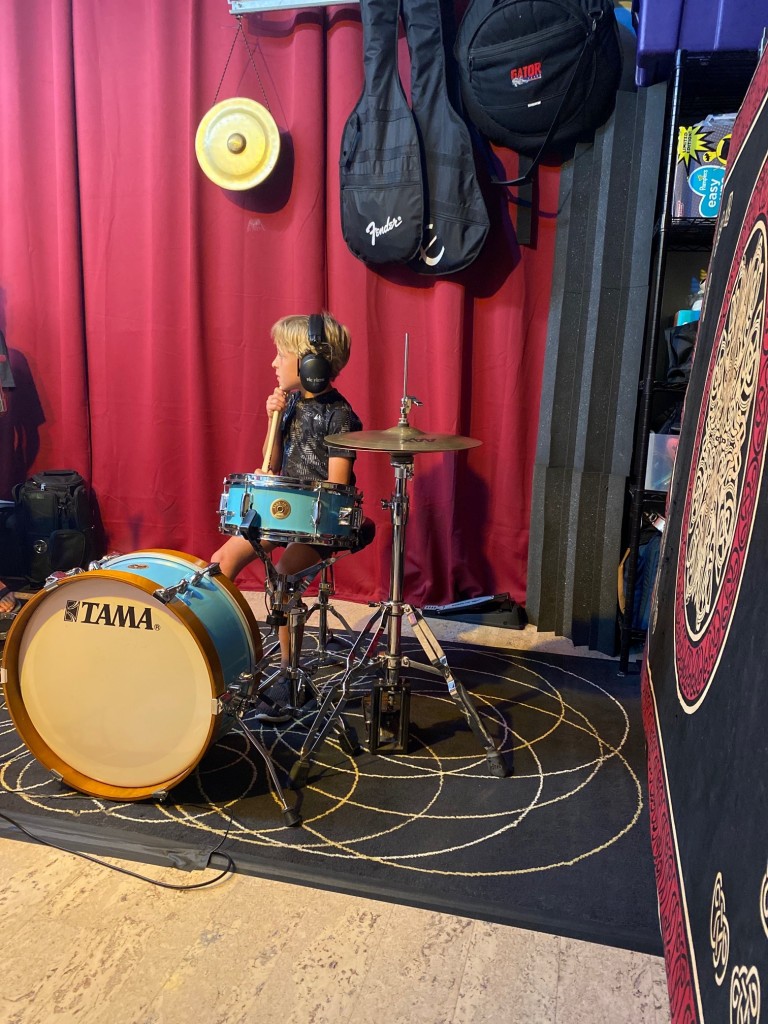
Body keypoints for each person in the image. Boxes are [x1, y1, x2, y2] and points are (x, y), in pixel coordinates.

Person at [211, 311, 363, 720]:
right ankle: (217, 649)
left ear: (311, 364)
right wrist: (273, 420)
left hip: (319, 523)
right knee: (220, 563)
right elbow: (272, 463)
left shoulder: (340, 416)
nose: (273, 363)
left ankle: (288, 676)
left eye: (281, 354)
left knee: (283, 579)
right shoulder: (291, 403)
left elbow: (336, 487)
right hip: (283, 511)